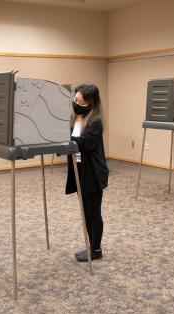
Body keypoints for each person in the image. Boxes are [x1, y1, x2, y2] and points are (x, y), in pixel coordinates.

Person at [65, 83, 109, 262]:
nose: (76, 104)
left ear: (91, 103)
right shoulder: (74, 119)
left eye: (80, 102)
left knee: (94, 212)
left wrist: (66, 137)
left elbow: (81, 143)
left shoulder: (95, 122)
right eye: (75, 100)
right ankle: (91, 246)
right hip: (81, 171)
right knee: (85, 211)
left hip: (93, 173)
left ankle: (96, 250)